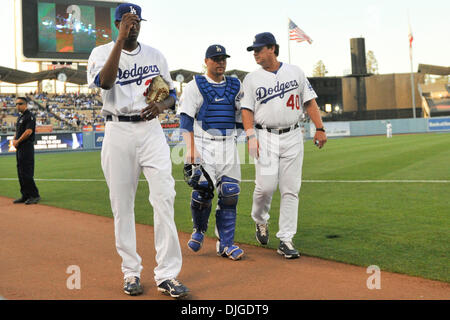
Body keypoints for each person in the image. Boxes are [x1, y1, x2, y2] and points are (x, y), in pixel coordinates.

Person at [87, 3, 189, 298]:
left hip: (150, 132)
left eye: (138, 21)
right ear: (118, 23)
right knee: (122, 205)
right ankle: (130, 271)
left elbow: (170, 94)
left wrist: (162, 105)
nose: (134, 25)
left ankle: (168, 274)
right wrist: (119, 41)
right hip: (117, 130)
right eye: (129, 21)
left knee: (165, 197)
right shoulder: (101, 52)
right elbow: (105, 82)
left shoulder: (155, 55)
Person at [241, 32, 327, 259]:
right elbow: (246, 109)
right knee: (265, 187)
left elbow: (309, 102)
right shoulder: (251, 78)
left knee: (291, 189)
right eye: (254, 51)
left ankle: (286, 239)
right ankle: (260, 220)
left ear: (272, 48)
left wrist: (320, 128)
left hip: (292, 135)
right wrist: (251, 136)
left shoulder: (295, 71)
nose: (255, 54)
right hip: (265, 135)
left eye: (258, 49)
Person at [178, 44, 244, 261]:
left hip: (228, 144)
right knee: (203, 191)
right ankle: (199, 228)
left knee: (230, 192)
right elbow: (186, 119)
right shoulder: (194, 86)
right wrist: (191, 149)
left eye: (223, 58)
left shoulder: (235, 84)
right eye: (216, 59)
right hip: (204, 142)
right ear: (206, 61)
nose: (221, 62)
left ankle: (226, 244)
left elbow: (240, 115)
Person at [12, 97, 41, 205]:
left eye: (20, 104)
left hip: (26, 147)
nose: (17, 106)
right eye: (16, 104)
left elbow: (28, 132)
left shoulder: (30, 116)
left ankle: (34, 195)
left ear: (25, 104)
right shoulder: (20, 117)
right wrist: (15, 140)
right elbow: (18, 131)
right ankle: (25, 195)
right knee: (20, 172)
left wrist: (18, 141)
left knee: (27, 172)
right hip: (19, 147)